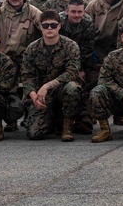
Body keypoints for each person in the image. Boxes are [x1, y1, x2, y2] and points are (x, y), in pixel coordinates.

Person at [21, 10, 83, 141]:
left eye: (53, 25)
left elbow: (72, 72)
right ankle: (52, 120)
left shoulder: (70, 46)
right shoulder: (32, 48)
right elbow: (27, 76)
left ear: (59, 26)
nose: (49, 28)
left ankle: (67, 126)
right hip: (42, 95)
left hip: (61, 89)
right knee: (34, 134)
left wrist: (47, 86)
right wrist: (34, 96)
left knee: (72, 88)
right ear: (40, 27)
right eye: (46, 25)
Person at [60, 0, 98, 134]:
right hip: (61, 62)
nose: (77, 15)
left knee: (90, 81)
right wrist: (71, 70)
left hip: (82, 61)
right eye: (73, 12)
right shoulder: (59, 21)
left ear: (84, 12)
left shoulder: (87, 23)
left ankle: (85, 117)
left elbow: (87, 49)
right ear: (67, 11)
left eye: (80, 12)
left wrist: (80, 69)